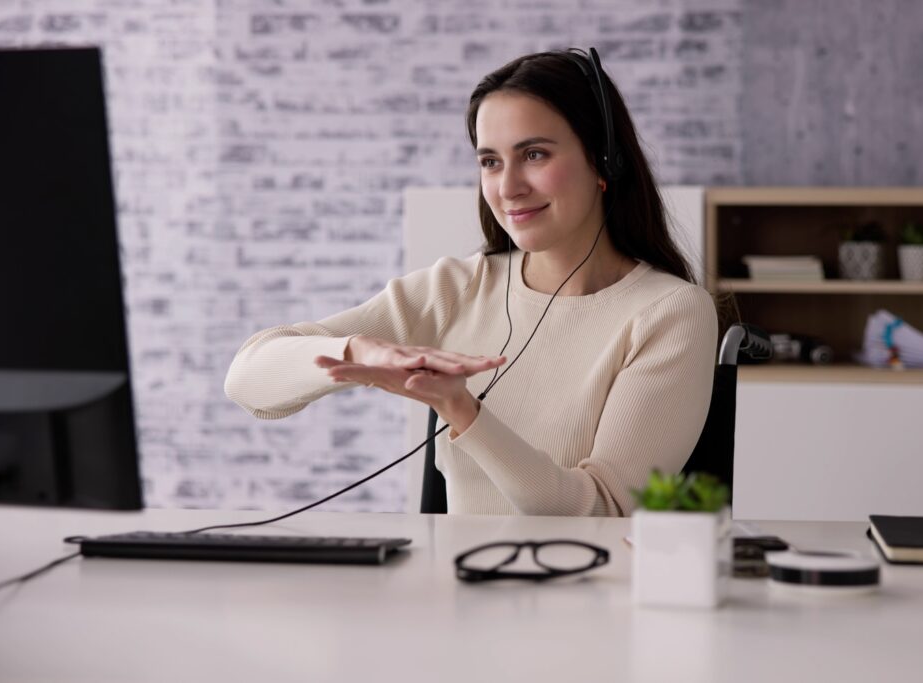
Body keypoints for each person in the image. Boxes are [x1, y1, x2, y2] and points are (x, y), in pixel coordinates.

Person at [224, 49, 717, 517]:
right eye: (490, 161)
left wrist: (460, 409)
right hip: (456, 595)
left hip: (586, 599)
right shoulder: (457, 287)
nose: (508, 188)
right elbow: (247, 379)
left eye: (535, 154)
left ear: (605, 162)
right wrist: (358, 353)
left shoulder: (670, 312)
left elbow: (604, 508)